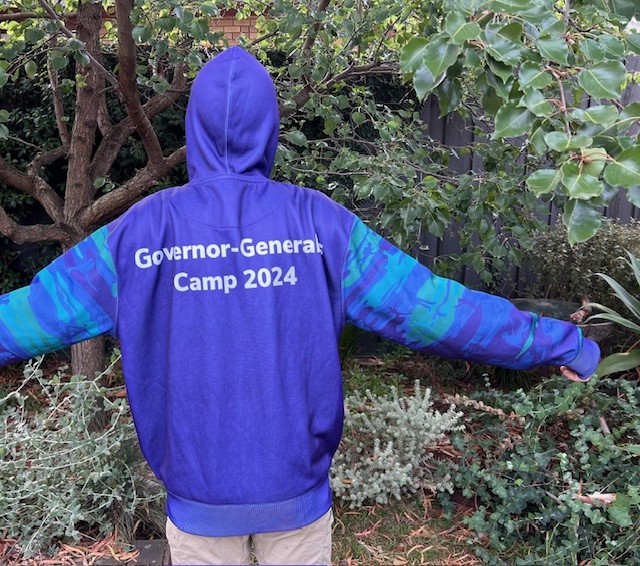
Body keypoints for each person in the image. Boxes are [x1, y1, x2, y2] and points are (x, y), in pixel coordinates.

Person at [0, 46, 599, 566]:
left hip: (200, 502)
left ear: (193, 129)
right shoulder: (320, 224)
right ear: (270, 127)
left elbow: (30, 315)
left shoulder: (140, 232)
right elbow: (438, 310)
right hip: (295, 498)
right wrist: (561, 342)